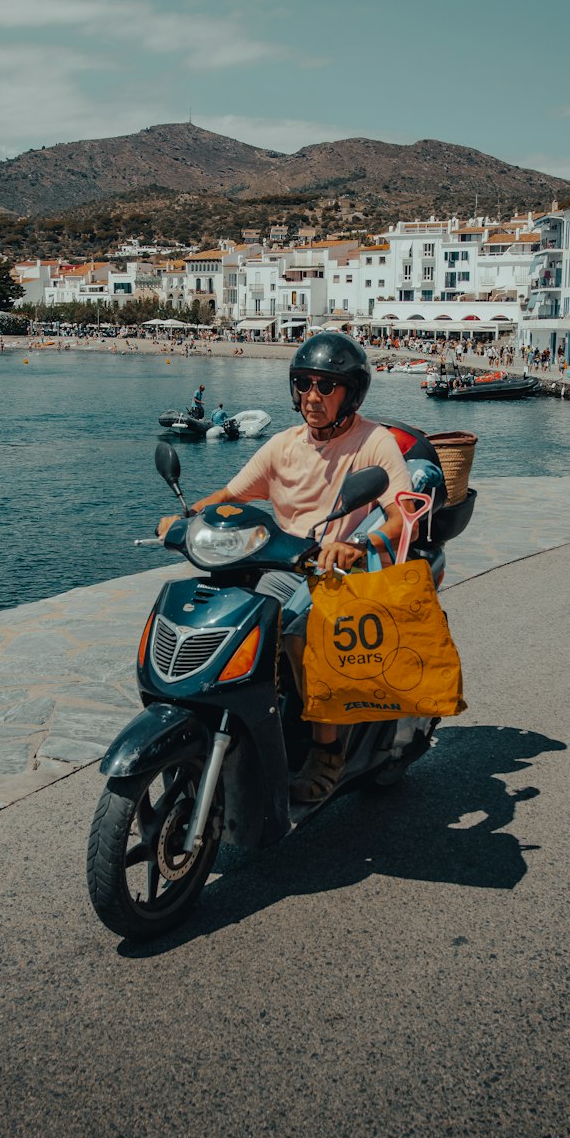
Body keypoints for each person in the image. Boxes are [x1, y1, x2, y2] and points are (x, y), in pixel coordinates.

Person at [158, 333, 411, 802]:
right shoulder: (283, 445)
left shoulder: (374, 443)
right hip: (282, 563)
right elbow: (231, 497)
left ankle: (326, 751)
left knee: (300, 637)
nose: (312, 396)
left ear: (350, 392)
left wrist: (356, 544)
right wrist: (187, 518)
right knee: (232, 625)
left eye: (325, 385)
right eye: (304, 384)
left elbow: (400, 515)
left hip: (340, 571)